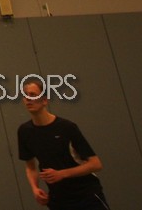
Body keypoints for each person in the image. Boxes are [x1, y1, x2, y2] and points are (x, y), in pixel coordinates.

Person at [18, 78, 109, 209]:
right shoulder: (24, 131)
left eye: (33, 94)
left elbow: (95, 164)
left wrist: (61, 174)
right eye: (25, 95)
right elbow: (30, 167)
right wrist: (35, 188)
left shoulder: (67, 128)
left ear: (44, 100)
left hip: (85, 195)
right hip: (58, 199)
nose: (28, 98)